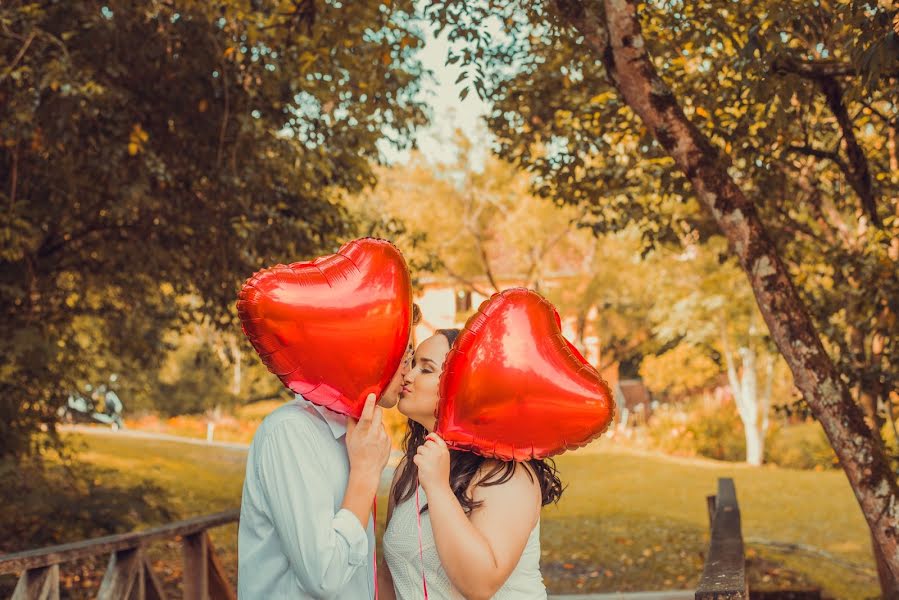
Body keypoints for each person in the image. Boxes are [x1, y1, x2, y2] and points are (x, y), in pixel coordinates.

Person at [237, 305, 420, 599]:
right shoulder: (291, 432)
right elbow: (325, 577)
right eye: (406, 355)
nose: (409, 373)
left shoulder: (355, 435)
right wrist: (364, 474)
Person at [381, 329, 563, 600]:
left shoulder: (505, 472)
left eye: (426, 369)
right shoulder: (408, 471)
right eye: (413, 363)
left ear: (462, 386)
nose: (408, 375)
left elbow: (480, 585)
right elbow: (389, 577)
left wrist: (438, 488)